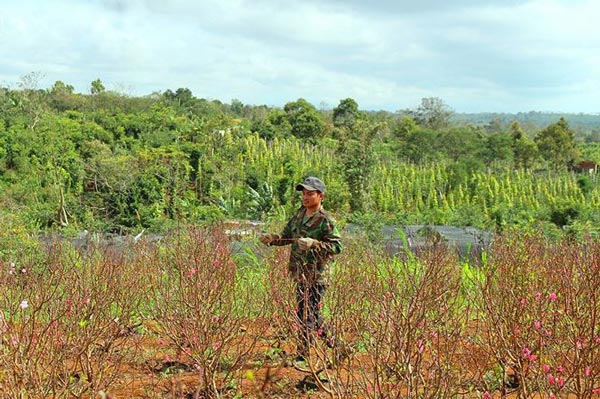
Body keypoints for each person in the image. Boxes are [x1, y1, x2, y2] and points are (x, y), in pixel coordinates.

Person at [260, 176, 342, 362]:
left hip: (317, 274)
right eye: (304, 193)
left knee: (308, 313)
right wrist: (272, 239)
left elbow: (337, 247)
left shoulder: (325, 220)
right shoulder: (298, 216)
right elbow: (287, 237)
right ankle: (336, 345)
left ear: (320, 196)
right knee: (306, 312)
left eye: (310, 194)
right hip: (300, 272)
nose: (305, 197)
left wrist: (314, 244)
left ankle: (303, 354)